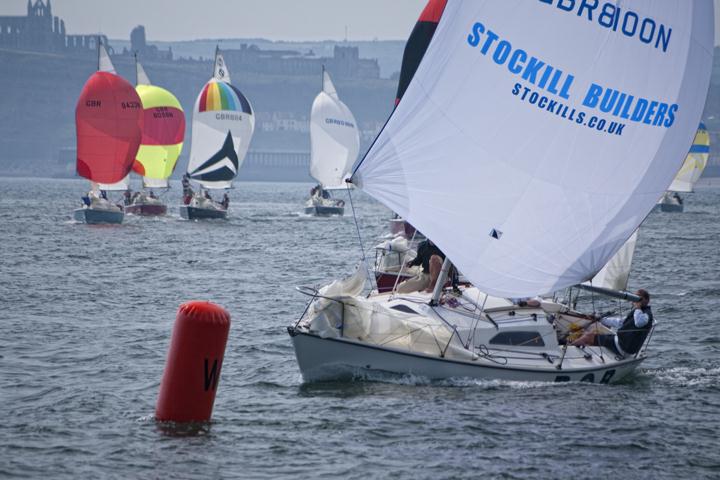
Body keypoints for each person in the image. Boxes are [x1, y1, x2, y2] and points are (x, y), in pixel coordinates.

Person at [572, 289, 654, 356]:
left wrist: (638, 308)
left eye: (639, 298)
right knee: (596, 330)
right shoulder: (639, 312)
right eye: (635, 297)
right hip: (622, 343)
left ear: (647, 300)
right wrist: (600, 319)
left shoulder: (646, 314)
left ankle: (567, 350)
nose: (635, 300)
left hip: (622, 347)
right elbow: (620, 322)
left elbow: (639, 323)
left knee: (588, 336)